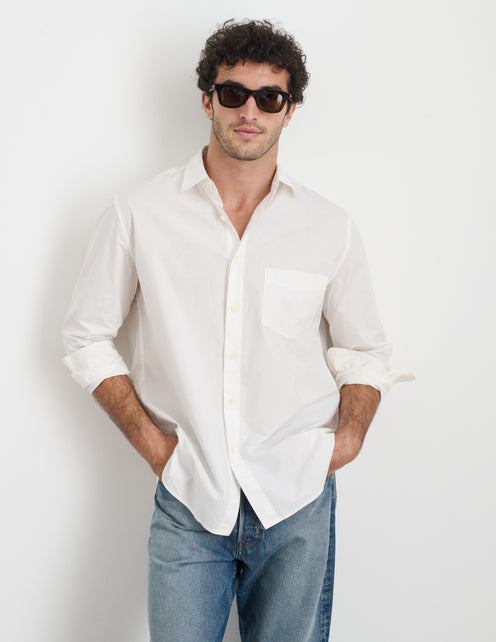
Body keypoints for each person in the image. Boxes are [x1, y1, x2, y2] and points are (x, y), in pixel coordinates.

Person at [62, 19, 412, 642]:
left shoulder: (329, 226)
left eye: (269, 97)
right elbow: (86, 338)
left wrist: (347, 440)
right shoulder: (139, 213)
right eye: (233, 93)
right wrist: (156, 448)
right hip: (189, 495)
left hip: (297, 498)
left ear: (289, 111)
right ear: (208, 101)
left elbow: (363, 349)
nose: (250, 111)